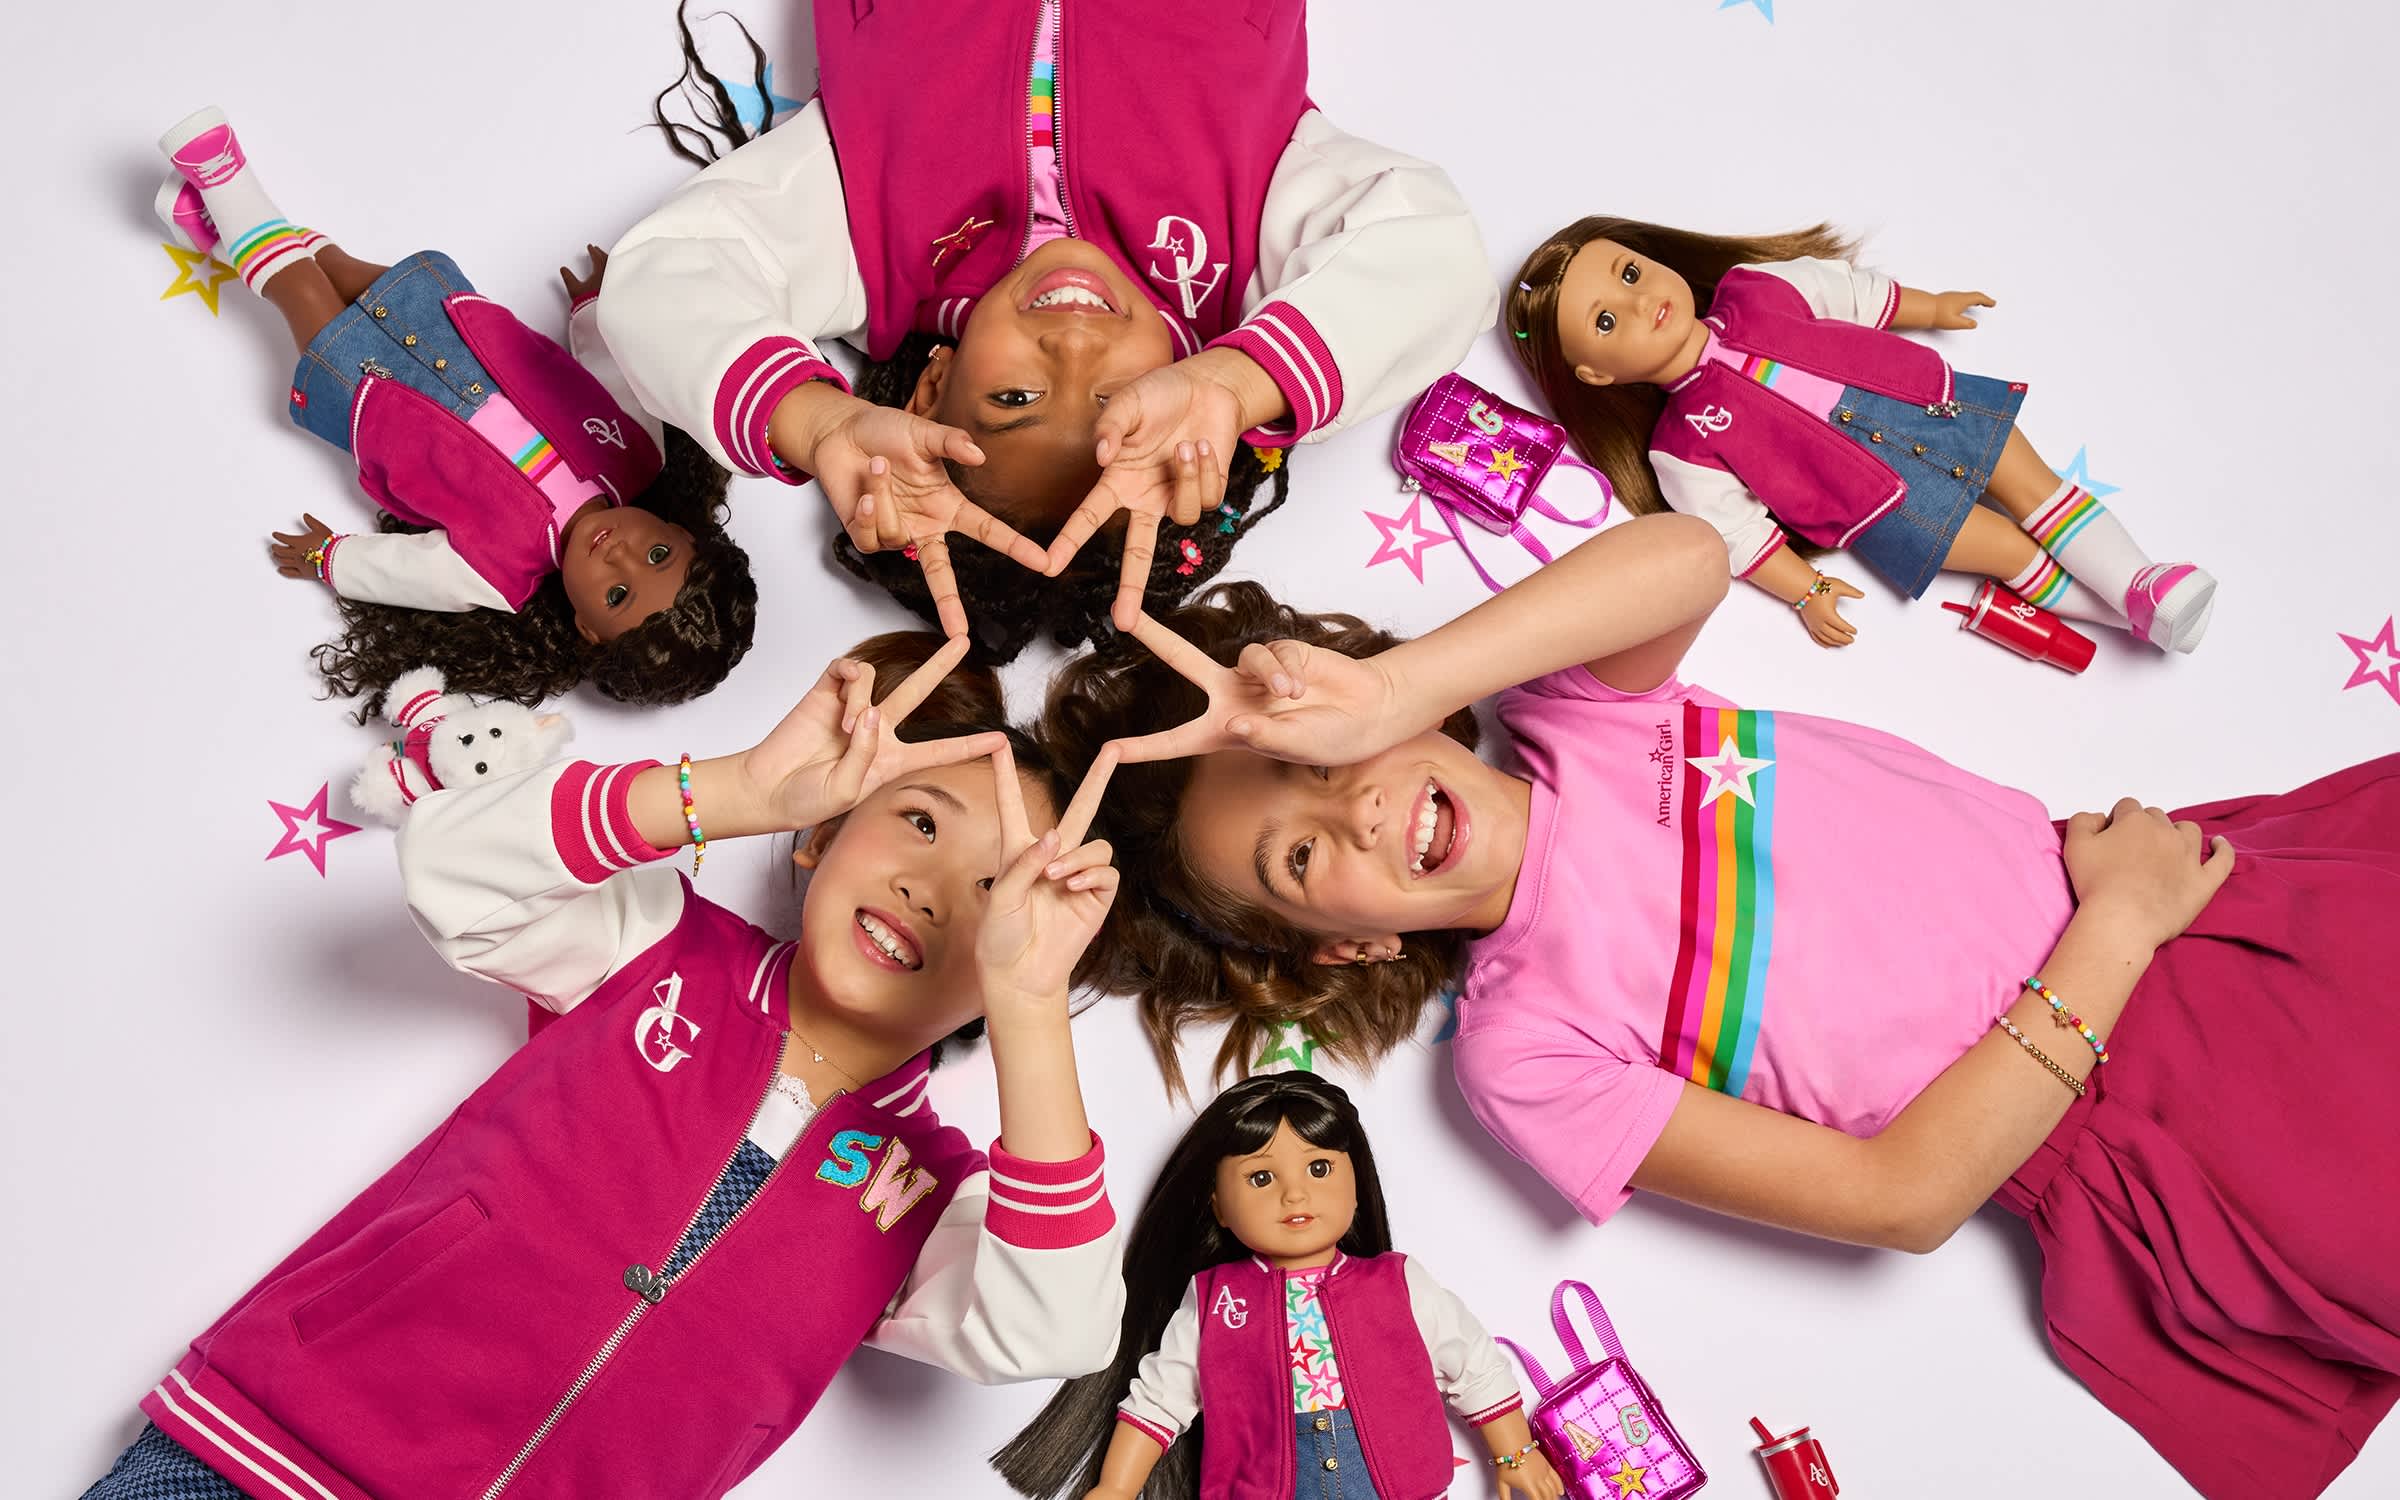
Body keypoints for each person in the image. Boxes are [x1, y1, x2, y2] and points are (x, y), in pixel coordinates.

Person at [1039, 517, 2400, 1500]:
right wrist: (2114, 930)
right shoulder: (1524, 1051)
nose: (1356, 809)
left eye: (1318, 761)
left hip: (2232, 909)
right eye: (1298, 856)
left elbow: (1689, 552)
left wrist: (1397, 688)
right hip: (2171, 1111)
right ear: (1340, 948)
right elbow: (1901, 1200)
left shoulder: (1581, 708)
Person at [81, 635, 1127, 1500]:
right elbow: (451, 867)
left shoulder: (932, 1195)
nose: (929, 889)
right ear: (824, 835)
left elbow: (1053, 1328)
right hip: (275, 1452)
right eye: (919, 822)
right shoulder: (658, 942)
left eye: (996, 890)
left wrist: (1033, 1005)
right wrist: (737, 789)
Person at [603, 0, 1492, 657]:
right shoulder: (1249, 241)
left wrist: (817, 420)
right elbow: (1435, 257)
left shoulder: (862, 243)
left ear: (930, 390)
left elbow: (662, 280)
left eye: (1015, 399)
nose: (1072, 347)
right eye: (1119, 396)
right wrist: (1235, 381)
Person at [155, 106, 756, 713]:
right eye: (658, 555)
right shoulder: (638, 454)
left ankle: (223, 174)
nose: (619, 556)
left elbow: (413, 572)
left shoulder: (502, 572)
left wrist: (332, 559)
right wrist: (594, 310)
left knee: (302, 289)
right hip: (451, 330)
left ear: (587, 628)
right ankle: (210, 227)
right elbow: (610, 376)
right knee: (333, 266)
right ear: (682, 533)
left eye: (617, 595)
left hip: (374, 396)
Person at [1508, 216, 2213, 652]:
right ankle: (2133, 616)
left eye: (1630, 272)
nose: (1639, 302)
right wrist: (1806, 590)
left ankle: (2139, 581)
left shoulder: (1754, 290)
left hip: (1928, 402)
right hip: (1880, 505)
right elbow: (1737, 533)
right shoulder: (1682, 445)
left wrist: (1928, 306)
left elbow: (1844, 290)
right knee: (2005, 548)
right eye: (1606, 321)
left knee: (2040, 490)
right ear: (1597, 375)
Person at [994, 1073, 1562, 1500]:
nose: (1294, 1194)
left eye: (1319, 1169)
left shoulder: (1397, 1282)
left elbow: (1473, 1366)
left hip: (1401, 1483)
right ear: (1218, 1206)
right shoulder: (1217, 1299)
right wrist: (1116, 1487)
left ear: (1357, 1184)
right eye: (1261, 1178)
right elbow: (1162, 1397)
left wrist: (1516, 1453)